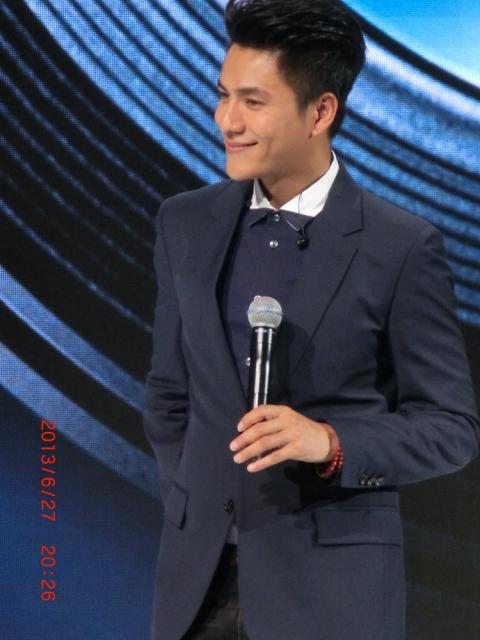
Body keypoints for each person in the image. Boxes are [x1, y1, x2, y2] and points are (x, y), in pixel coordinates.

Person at [143, 1, 480, 639]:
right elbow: (169, 392)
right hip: (197, 587)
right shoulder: (183, 222)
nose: (227, 121)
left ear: (320, 112)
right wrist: (192, 495)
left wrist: (329, 443)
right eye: (223, 96)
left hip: (331, 596)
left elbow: (451, 428)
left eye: (253, 102)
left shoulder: (401, 246)